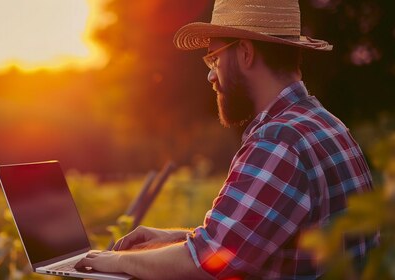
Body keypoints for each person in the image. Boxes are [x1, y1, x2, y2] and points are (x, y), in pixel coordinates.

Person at [75, 0, 379, 279]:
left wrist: (112, 262)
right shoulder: (326, 124)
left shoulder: (278, 141)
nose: (211, 75)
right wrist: (177, 240)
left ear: (245, 53)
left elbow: (205, 264)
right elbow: (251, 241)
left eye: (214, 59)